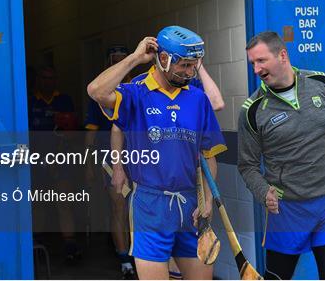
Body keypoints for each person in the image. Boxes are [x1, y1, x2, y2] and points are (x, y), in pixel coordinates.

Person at [87, 26, 227, 280]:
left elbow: (209, 156)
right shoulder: (136, 93)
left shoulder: (198, 99)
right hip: (150, 206)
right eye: (183, 65)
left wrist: (207, 202)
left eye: (192, 65)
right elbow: (96, 90)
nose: (188, 72)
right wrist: (135, 58)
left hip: (190, 206)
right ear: (163, 59)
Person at [237, 31, 325, 280]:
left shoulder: (322, 83)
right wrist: (264, 192)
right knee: (276, 277)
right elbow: (247, 165)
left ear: (282, 55)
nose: (256, 69)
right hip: (287, 211)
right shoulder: (252, 110)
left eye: (261, 60)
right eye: (252, 63)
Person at [84, 46, 136, 279]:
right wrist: (87, 164)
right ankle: (125, 260)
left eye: (124, 61)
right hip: (111, 160)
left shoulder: (139, 87)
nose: (120, 65)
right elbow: (91, 135)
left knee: (140, 209)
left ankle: (140, 256)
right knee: (119, 208)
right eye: (115, 61)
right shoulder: (102, 91)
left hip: (141, 158)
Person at [28, 66, 83, 264]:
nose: (48, 82)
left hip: (61, 160)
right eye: (44, 78)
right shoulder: (29, 101)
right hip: (35, 161)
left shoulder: (64, 100)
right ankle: (36, 244)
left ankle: (70, 246)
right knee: (39, 203)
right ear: (38, 79)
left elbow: (72, 133)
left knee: (64, 202)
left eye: (52, 78)